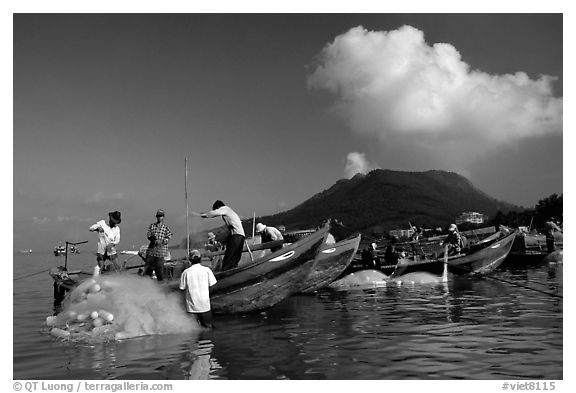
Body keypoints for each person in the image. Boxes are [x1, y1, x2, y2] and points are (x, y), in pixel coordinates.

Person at [200, 200, 245, 271]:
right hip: (241, 236)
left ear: (218, 207)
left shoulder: (225, 209)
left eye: (216, 209)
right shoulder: (231, 212)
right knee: (235, 256)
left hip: (236, 236)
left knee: (229, 256)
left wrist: (204, 215)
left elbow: (215, 213)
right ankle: (233, 270)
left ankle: (226, 273)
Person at [180, 249, 217, 329]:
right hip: (205, 306)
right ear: (200, 259)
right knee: (208, 328)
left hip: (191, 308)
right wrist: (208, 297)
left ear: (190, 260)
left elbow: (182, 289)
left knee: (193, 331)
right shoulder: (207, 270)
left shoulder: (186, 272)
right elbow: (213, 286)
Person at [144, 209, 173, 281]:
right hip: (151, 252)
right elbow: (148, 235)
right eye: (158, 216)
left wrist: (162, 241)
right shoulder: (152, 226)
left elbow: (169, 237)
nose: (159, 217)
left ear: (163, 217)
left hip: (161, 253)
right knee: (148, 271)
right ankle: (145, 285)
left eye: (161, 216)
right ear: (156, 217)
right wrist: (153, 239)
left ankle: (160, 286)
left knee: (159, 272)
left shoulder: (166, 228)